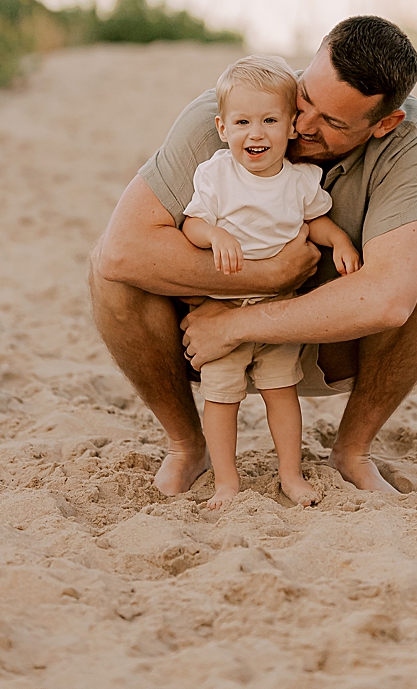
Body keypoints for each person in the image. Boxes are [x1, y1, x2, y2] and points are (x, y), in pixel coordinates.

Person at [90, 15, 417, 497]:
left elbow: (388, 299)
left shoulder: (410, 140)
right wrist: (265, 275)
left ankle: (353, 450)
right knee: (108, 275)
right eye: (306, 97)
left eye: (332, 122)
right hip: (198, 339)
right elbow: (121, 253)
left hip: (328, 342)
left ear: (384, 124)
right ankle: (186, 445)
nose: (301, 125)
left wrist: (238, 324)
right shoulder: (240, 109)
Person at [180, 55, 360, 509]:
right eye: (242, 122)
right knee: (221, 398)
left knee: (281, 393)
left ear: (290, 128)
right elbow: (192, 224)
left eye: (269, 121)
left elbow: (316, 220)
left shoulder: (300, 180)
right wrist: (214, 233)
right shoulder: (217, 174)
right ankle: (226, 481)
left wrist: (338, 241)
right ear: (222, 128)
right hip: (223, 309)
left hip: (280, 309)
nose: (255, 133)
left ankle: (290, 474)